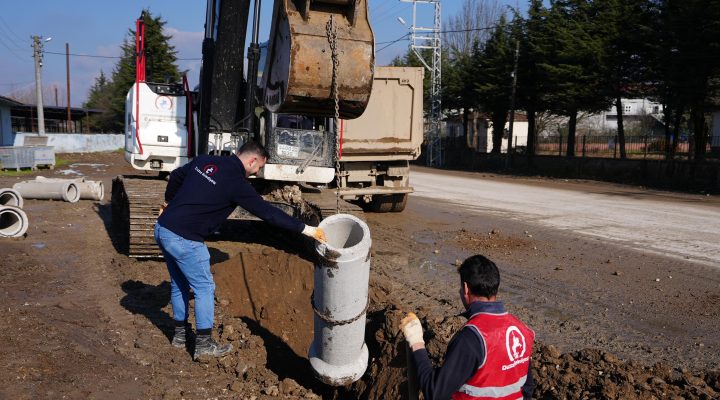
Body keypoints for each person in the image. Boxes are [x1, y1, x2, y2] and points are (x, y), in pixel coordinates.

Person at [155, 141, 327, 361]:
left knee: (179, 283)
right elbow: (268, 212)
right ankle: (204, 345)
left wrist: (170, 201)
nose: (257, 173)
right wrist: (306, 229)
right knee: (204, 288)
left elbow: (177, 175)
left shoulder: (206, 160)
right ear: (252, 160)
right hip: (185, 239)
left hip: (163, 229)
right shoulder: (238, 184)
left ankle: (179, 337)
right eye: (259, 168)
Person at [400, 255, 535, 400]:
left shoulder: (472, 337)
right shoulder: (523, 330)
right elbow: (528, 388)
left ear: (465, 288)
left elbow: (435, 393)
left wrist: (417, 343)